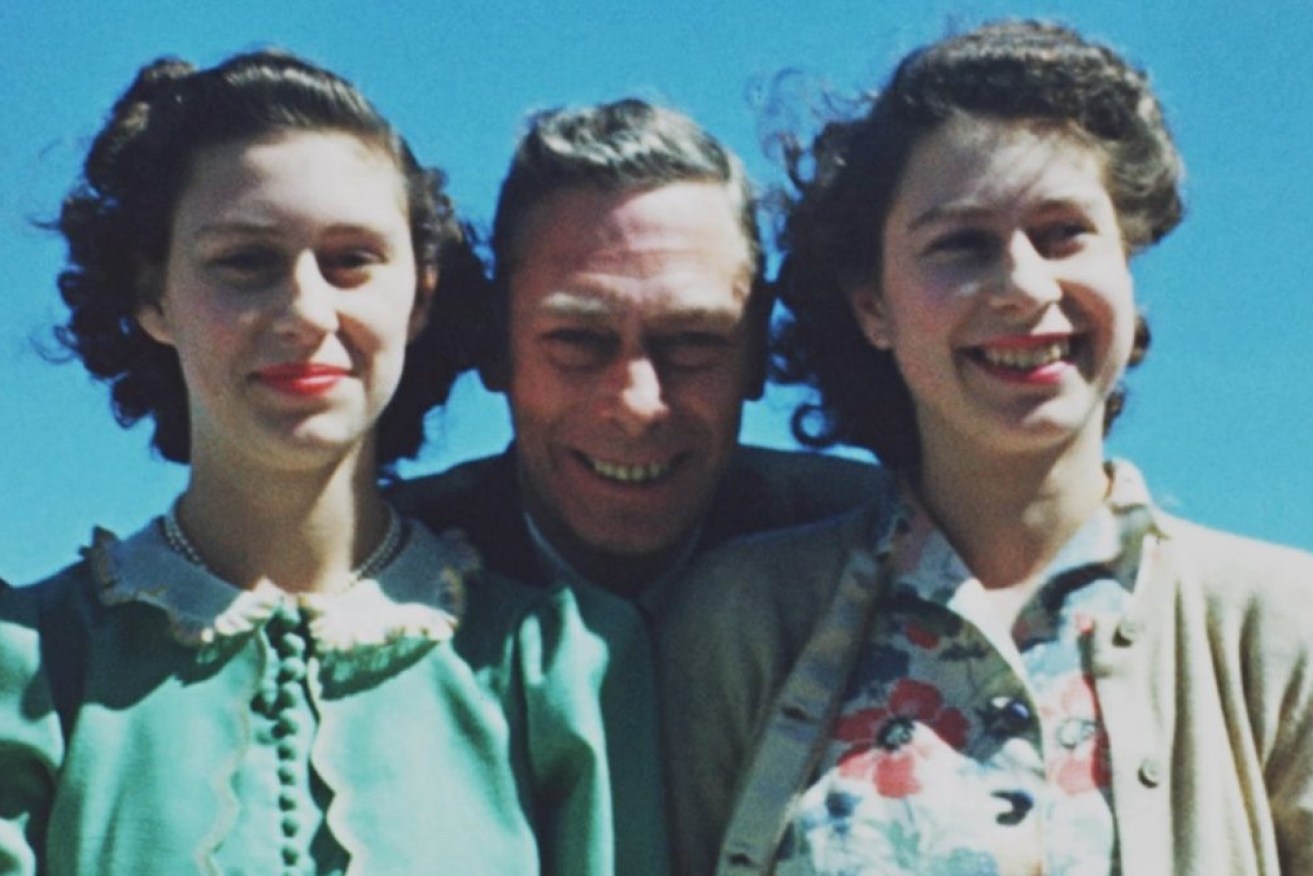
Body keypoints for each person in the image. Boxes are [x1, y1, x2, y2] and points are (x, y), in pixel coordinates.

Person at [659, 20, 1313, 875]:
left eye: (1062, 232)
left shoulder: (1280, 626)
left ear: (1127, 260)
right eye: (961, 244)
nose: (1023, 286)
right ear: (872, 308)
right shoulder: (742, 620)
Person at [0, 50, 625, 875]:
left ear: (421, 296)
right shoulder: (34, 663)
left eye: (351, 259)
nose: (304, 310)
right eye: (245, 261)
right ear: (154, 297)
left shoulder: (557, 667)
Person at [388, 97, 880, 608]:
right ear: (495, 345)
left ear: (757, 348)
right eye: (577, 340)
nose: (638, 405)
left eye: (692, 341)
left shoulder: (887, 552)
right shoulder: (374, 572)